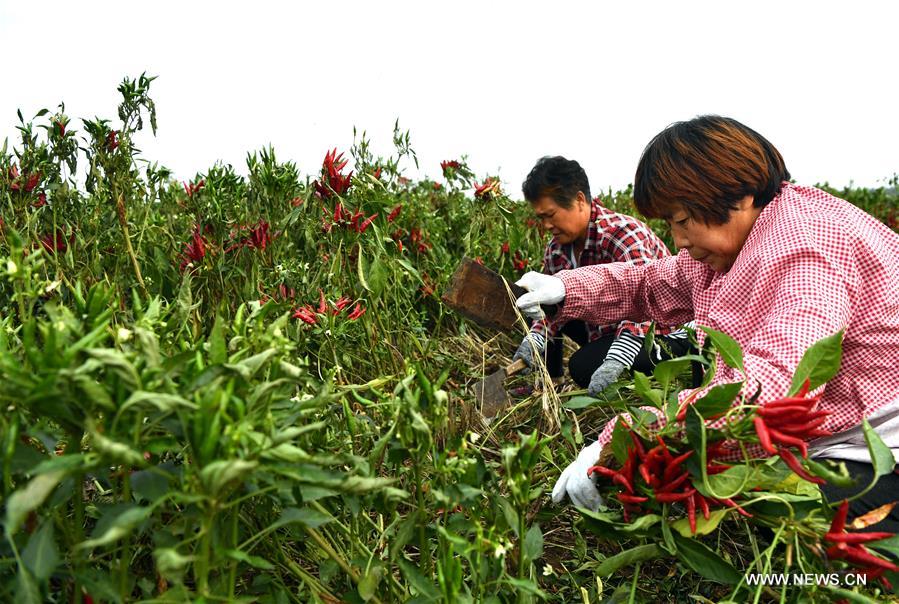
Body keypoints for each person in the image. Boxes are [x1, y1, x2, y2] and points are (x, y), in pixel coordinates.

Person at [515, 116, 899, 527]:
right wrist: (567, 289)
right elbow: (651, 281)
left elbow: (775, 393)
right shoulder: (740, 240)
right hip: (836, 429)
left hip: (879, 443)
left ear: (740, 195)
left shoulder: (802, 247)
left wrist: (627, 437)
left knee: (814, 524)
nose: (677, 239)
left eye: (681, 221)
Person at [512, 156, 693, 395]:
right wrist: (534, 340)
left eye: (550, 215)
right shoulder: (556, 250)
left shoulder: (622, 233)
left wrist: (619, 356)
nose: (546, 225)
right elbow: (549, 310)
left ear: (579, 200)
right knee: (540, 303)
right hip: (605, 326)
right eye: (541, 217)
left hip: (658, 331)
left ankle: (674, 357)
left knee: (583, 367)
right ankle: (550, 381)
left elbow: (643, 298)